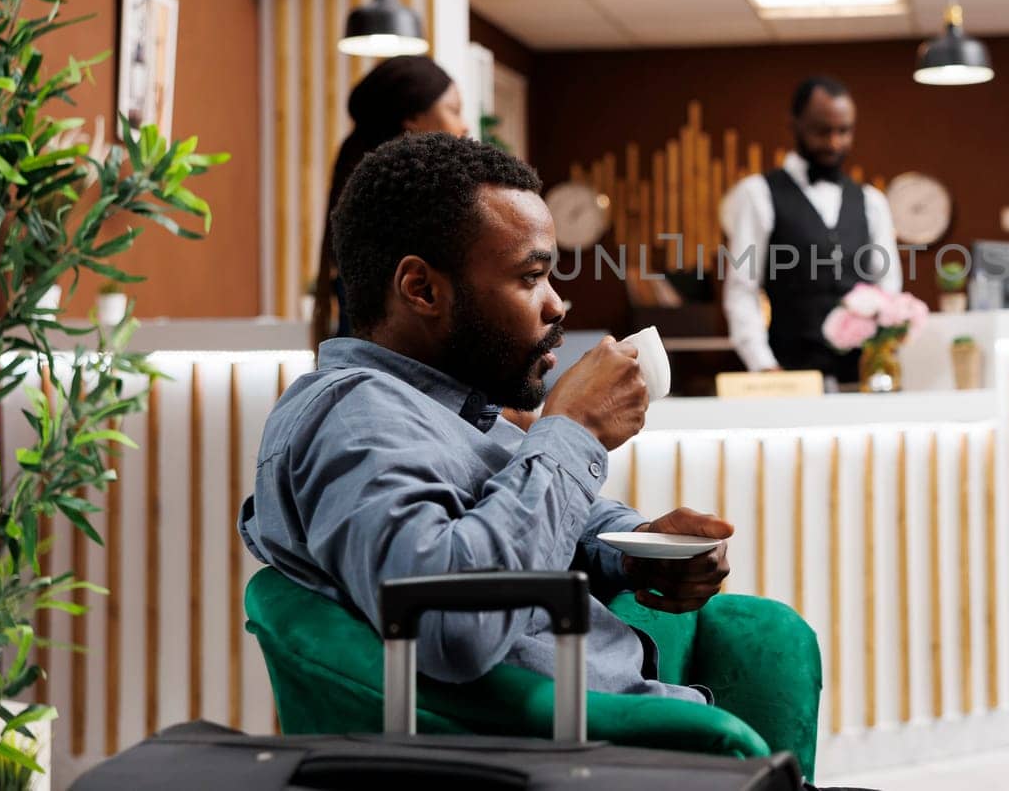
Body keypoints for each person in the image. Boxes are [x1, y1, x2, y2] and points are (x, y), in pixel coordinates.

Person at [240, 133, 734, 697]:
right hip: (591, 752)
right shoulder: (358, 420)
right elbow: (451, 623)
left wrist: (637, 548)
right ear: (421, 289)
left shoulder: (442, 408)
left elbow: (519, 525)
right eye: (531, 276)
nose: (555, 304)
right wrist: (573, 431)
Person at [720, 76, 902, 382]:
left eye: (843, 131)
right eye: (822, 131)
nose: (834, 143)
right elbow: (742, 289)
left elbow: (888, 288)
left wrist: (882, 353)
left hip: (860, 375)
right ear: (795, 125)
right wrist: (764, 365)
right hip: (788, 372)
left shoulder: (872, 202)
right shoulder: (758, 194)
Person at [310, 56, 472, 343]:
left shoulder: (368, 200)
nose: (465, 126)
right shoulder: (406, 205)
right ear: (412, 118)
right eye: (453, 110)